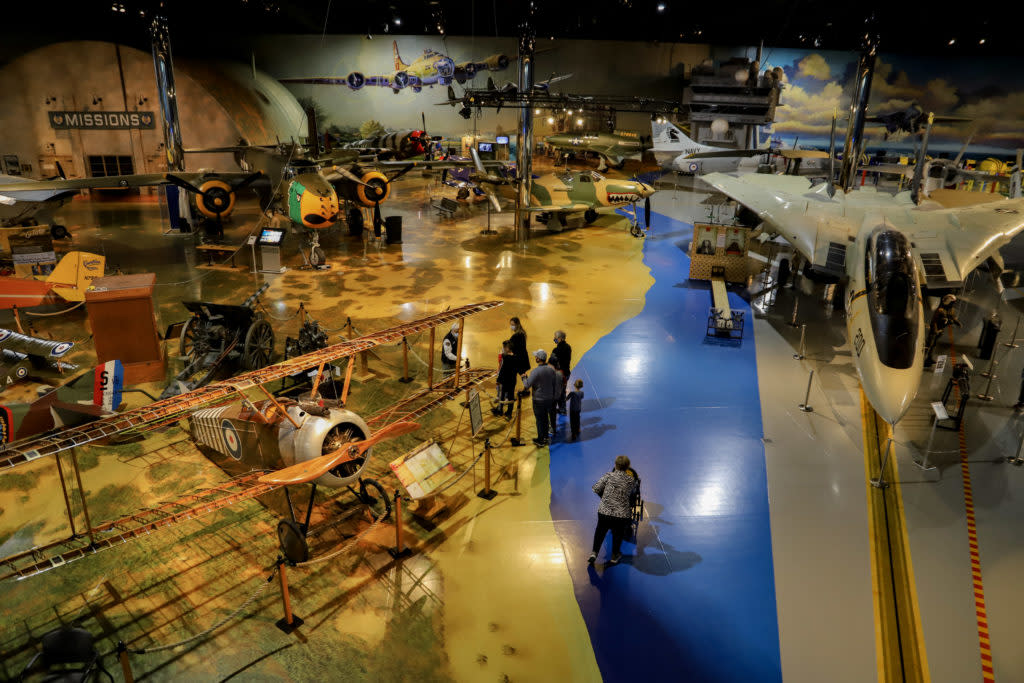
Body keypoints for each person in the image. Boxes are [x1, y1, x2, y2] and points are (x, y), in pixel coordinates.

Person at [588, 455, 638, 565]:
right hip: (620, 515)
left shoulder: (608, 476)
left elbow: (596, 488)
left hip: (604, 512)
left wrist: (604, 498)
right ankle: (615, 555)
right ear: (628, 467)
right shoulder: (631, 481)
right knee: (618, 534)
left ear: (615, 465)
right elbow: (632, 496)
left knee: (600, 531)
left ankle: (594, 552)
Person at [521, 349, 560, 446]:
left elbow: (527, 385)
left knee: (539, 420)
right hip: (549, 399)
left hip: (539, 399)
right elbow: (554, 383)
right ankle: (546, 437)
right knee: (546, 419)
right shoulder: (551, 370)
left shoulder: (536, 371)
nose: (535, 358)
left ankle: (540, 439)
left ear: (538, 359)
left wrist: (524, 377)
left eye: (536, 356)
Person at [924, 294, 962, 366]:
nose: (953, 304)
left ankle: (929, 358)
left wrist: (958, 323)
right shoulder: (940, 310)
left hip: (941, 330)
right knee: (929, 345)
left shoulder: (951, 310)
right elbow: (934, 321)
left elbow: (953, 318)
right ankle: (922, 359)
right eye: (952, 303)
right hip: (935, 330)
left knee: (934, 345)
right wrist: (935, 331)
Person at [549, 330, 573, 415]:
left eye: (555, 337)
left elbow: (551, 362)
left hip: (559, 374)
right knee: (563, 391)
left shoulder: (556, 350)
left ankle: (557, 409)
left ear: (559, 338)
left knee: (557, 392)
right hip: (566, 373)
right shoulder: (568, 347)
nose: (554, 339)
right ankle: (562, 409)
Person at [493, 341, 518, 418]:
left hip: (504, 380)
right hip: (512, 380)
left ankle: (500, 410)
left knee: (502, 395)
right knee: (511, 396)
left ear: (507, 348)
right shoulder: (516, 357)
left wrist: (498, 380)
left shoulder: (505, 357)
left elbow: (502, 369)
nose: (503, 349)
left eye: (504, 347)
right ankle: (509, 412)